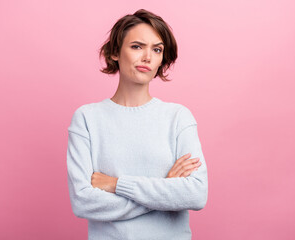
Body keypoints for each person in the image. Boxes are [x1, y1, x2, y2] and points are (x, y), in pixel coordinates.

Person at [67, 9, 208, 240]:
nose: (147, 57)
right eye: (137, 46)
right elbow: (83, 202)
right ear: (114, 52)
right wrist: (165, 190)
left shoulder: (178, 117)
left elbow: (196, 195)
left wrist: (116, 184)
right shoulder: (87, 119)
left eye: (157, 49)